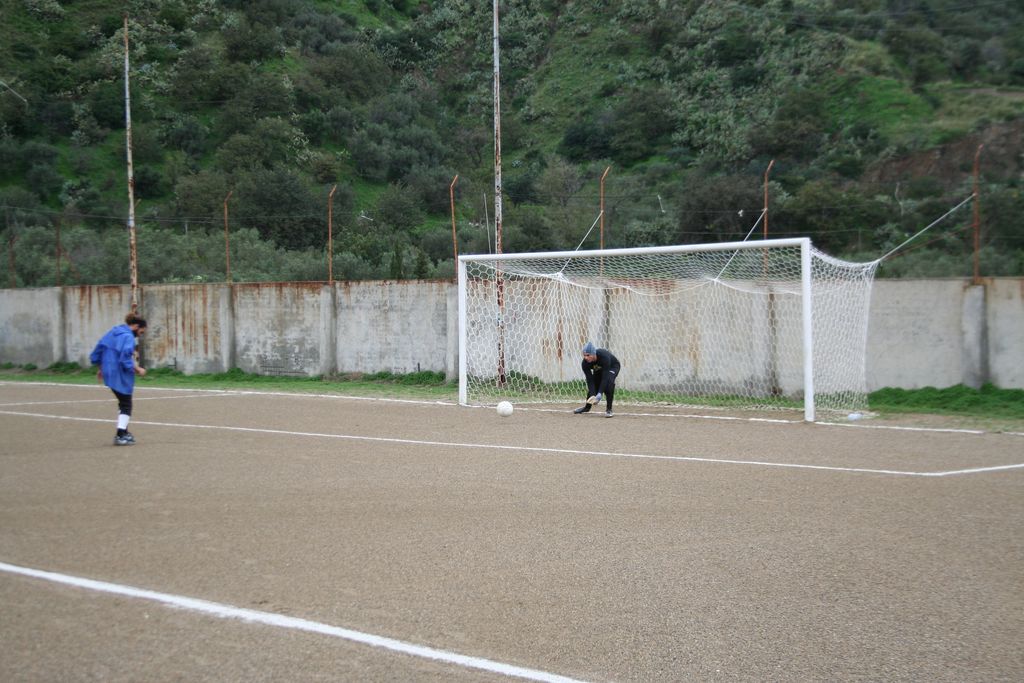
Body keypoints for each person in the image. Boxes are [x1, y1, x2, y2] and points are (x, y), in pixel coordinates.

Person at [90, 313, 148, 446]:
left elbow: (99, 349)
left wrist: (101, 367)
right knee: (126, 403)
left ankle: (124, 432)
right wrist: (137, 369)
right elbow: (125, 358)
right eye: (141, 332)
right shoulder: (128, 337)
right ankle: (120, 434)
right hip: (119, 373)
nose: (140, 335)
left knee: (123, 402)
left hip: (109, 371)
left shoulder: (113, 332)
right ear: (136, 326)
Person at [573, 341, 620, 417]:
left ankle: (609, 409)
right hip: (599, 367)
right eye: (584, 355)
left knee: (609, 382)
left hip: (612, 367)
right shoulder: (585, 363)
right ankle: (587, 408)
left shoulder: (604, 357)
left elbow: (605, 378)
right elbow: (590, 380)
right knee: (595, 383)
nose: (586, 357)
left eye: (588, 355)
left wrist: (599, 393)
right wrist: (593, 395)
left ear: (593, 354)